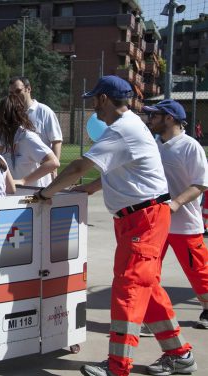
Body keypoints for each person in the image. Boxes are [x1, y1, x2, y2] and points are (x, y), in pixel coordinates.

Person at [35, 76, 196, 376]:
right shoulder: (127, 127)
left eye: (94, 100)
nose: (93, 106)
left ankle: (117, 366)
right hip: (139, 218)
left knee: (129, 288)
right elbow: (119, 172)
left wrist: (46, 193)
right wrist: (92, 189)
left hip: (144, 219)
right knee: (148, 288)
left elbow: (78, 167)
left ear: (104, 100)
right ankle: (180, 354)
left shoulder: (122, 129)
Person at [143, 99, 208, 330]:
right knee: (148, 273)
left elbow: (200, 184)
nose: (150, 120)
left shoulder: (191, 147)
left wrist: (176, 203)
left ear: (169, 118)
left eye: (154, 116)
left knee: (199, 272)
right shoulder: (153, 145)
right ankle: (154, 318)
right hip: (155, 223)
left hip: (185, 224)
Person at [0, 94, 60, 187]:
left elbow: (53, 162)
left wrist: (23, 181)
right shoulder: (3, 137)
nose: (2, 120)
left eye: (6, 116)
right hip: (14, 194)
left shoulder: (28, 137)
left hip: (34, 196)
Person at [9, 76, 63, 177]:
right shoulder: (11, 114)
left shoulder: (44, 112)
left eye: (17, 91)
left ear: (28, 89)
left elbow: (56, 141)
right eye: (11, 93)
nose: (14, 96)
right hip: (18, 175)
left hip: (40, 176)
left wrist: (53, 170)